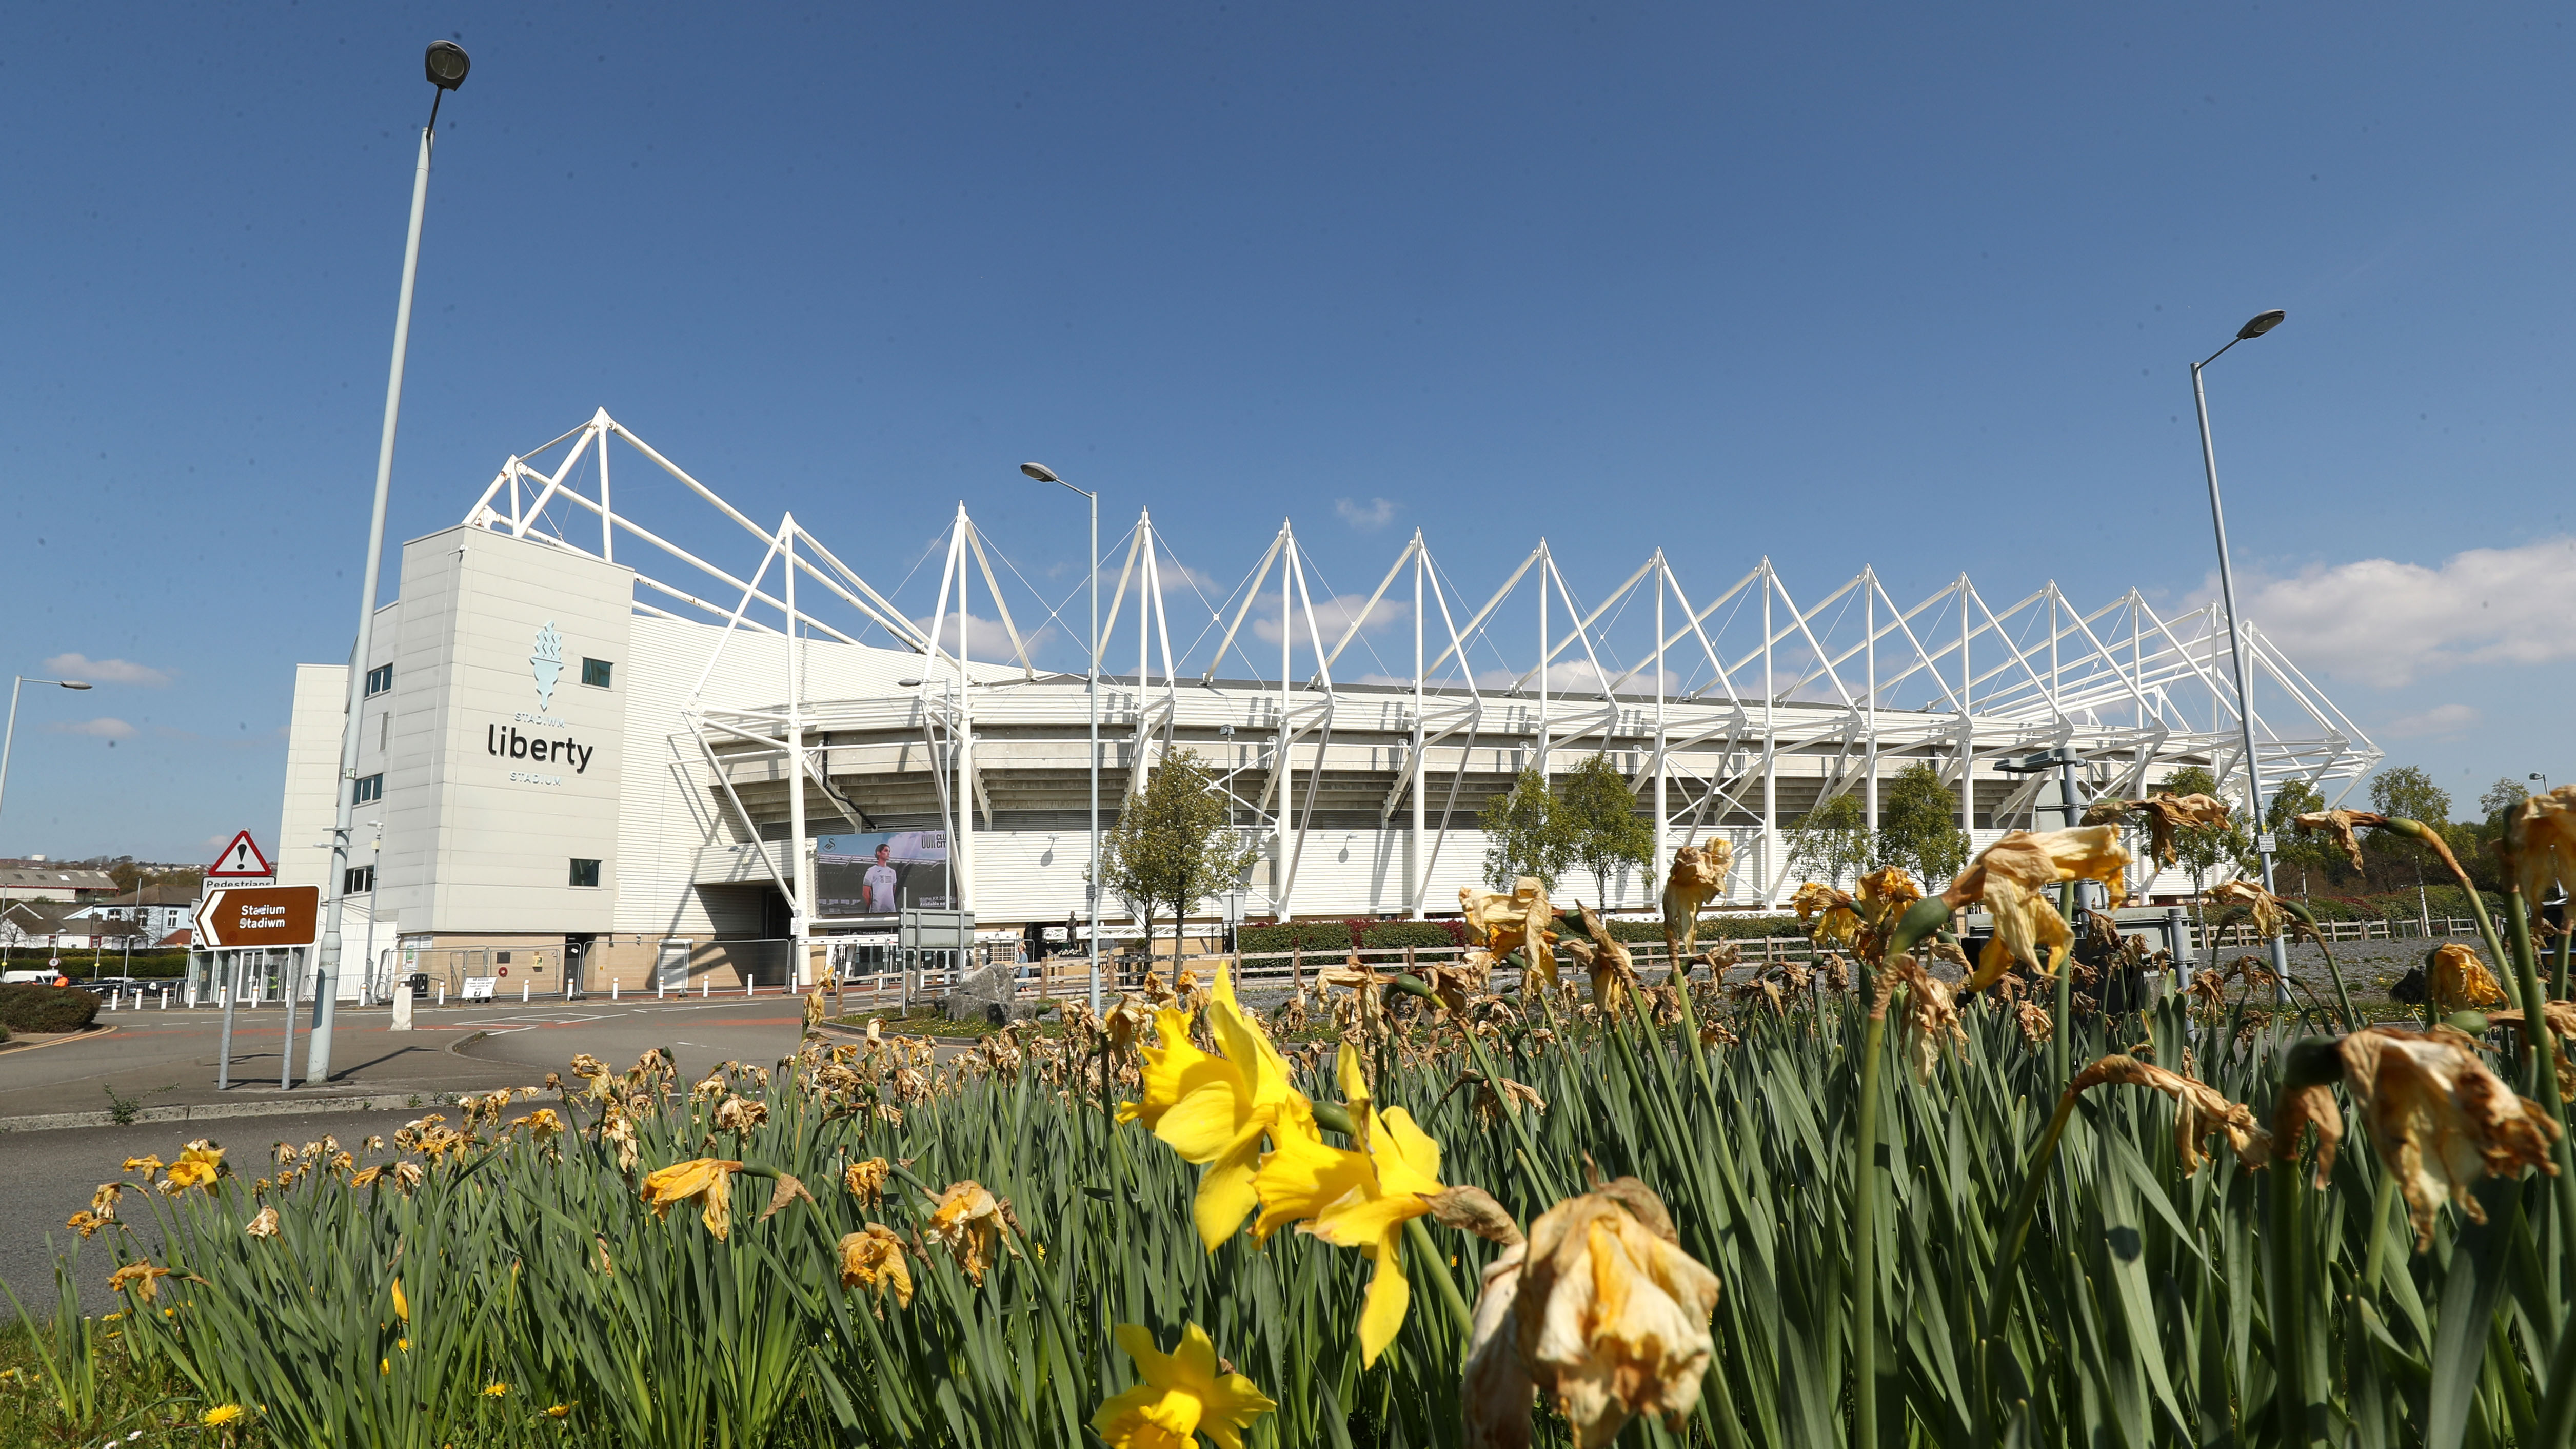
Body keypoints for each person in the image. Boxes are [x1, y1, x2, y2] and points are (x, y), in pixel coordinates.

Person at [863, 841, 900, 914]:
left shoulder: (892, 872)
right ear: (879, 853)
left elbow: (893, 890)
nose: (888, 853)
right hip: (877, 911)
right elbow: (865, 893)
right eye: (886, 851)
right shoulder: (871, 871)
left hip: (891, 910)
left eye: (889, 851)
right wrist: (872, 906)